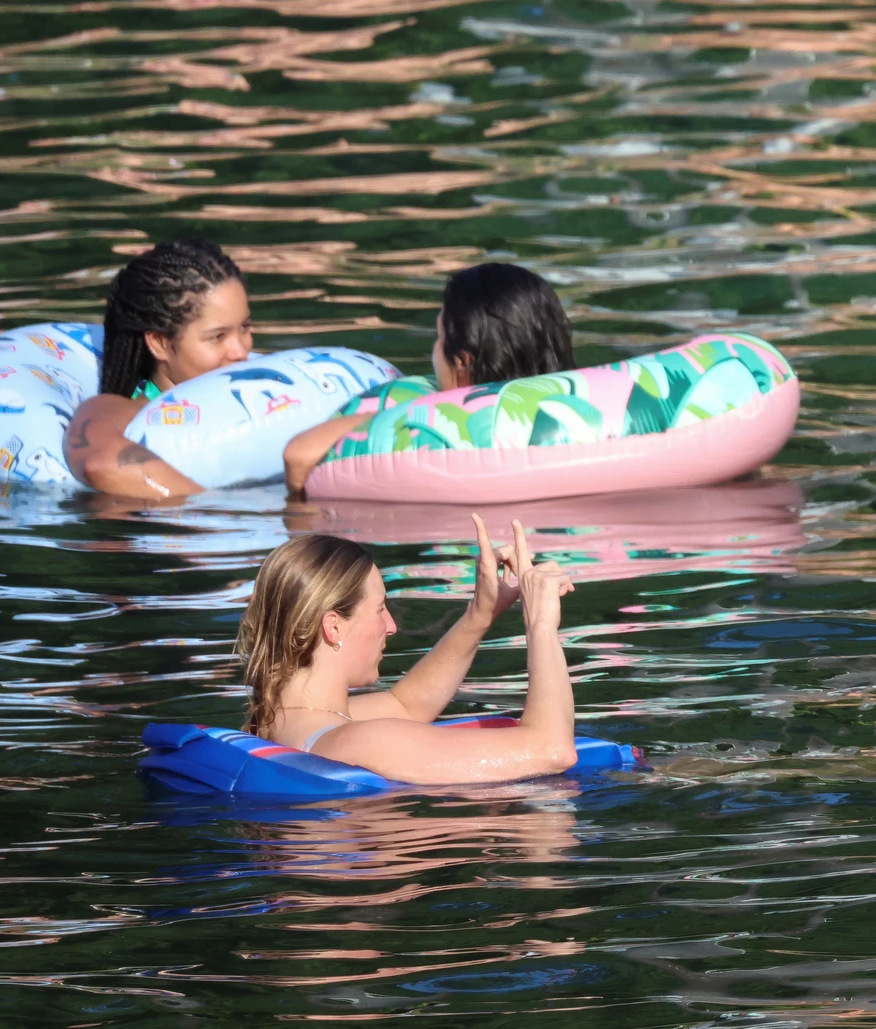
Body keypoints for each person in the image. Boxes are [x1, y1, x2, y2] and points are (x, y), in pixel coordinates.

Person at [238, 515, 580, 784]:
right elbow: (551, 750)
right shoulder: (363, 740)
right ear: (334, 626)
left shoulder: (274, 720)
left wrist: (481, 613)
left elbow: (407, 704)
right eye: (379, 609)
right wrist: (540, 624)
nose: (391, 625)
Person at [282, 262, 574, 494]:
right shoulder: (578, 412)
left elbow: (299, 458)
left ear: (462, 364)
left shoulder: (424, 423)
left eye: (439, 337)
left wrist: (393, 414)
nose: (433, 350)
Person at [64, 238, 252, 498]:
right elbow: (102, 464)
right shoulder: (122, 410)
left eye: (245, 327)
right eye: (217, 337)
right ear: (161, 343)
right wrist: (220, 514)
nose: (242, 351)